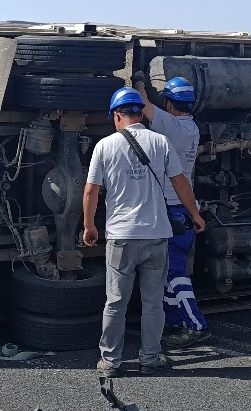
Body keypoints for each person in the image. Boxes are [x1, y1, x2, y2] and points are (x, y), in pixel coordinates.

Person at [83, 87, 206, 378]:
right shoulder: (161, 142)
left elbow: (91, 191)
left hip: (121, 237)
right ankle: (149, 360)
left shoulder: (105, 146)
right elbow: (180, 183)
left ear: (116, 116)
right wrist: (195, 214)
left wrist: (89, 226)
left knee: (115, 302)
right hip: (156, 235)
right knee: (153, 303)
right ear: (140, 114)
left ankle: (110, 363)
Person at [132, 74, 211, 348]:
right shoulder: (191, 128)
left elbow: (143, 106)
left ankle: (195, 325)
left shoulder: (170, 125)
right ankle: (176, 321)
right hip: (184, 208)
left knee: (174, 272)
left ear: (169, 103)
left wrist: (140, 84)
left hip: (171, 208)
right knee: (166, 272)